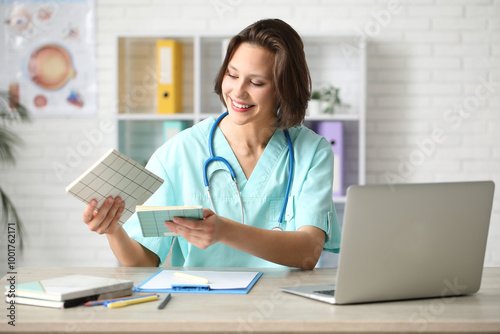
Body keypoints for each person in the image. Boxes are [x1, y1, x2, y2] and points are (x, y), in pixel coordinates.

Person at [82, 18, 341, 269]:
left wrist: (224, 231)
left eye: (256, 82)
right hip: (203, 305)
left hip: (283, 306)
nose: (238, 91)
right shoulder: (179, 152)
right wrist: (114, 231)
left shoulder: (312, 152)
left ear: (283, 89)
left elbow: (308, 252)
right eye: (232, 74)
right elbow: (143, 262)